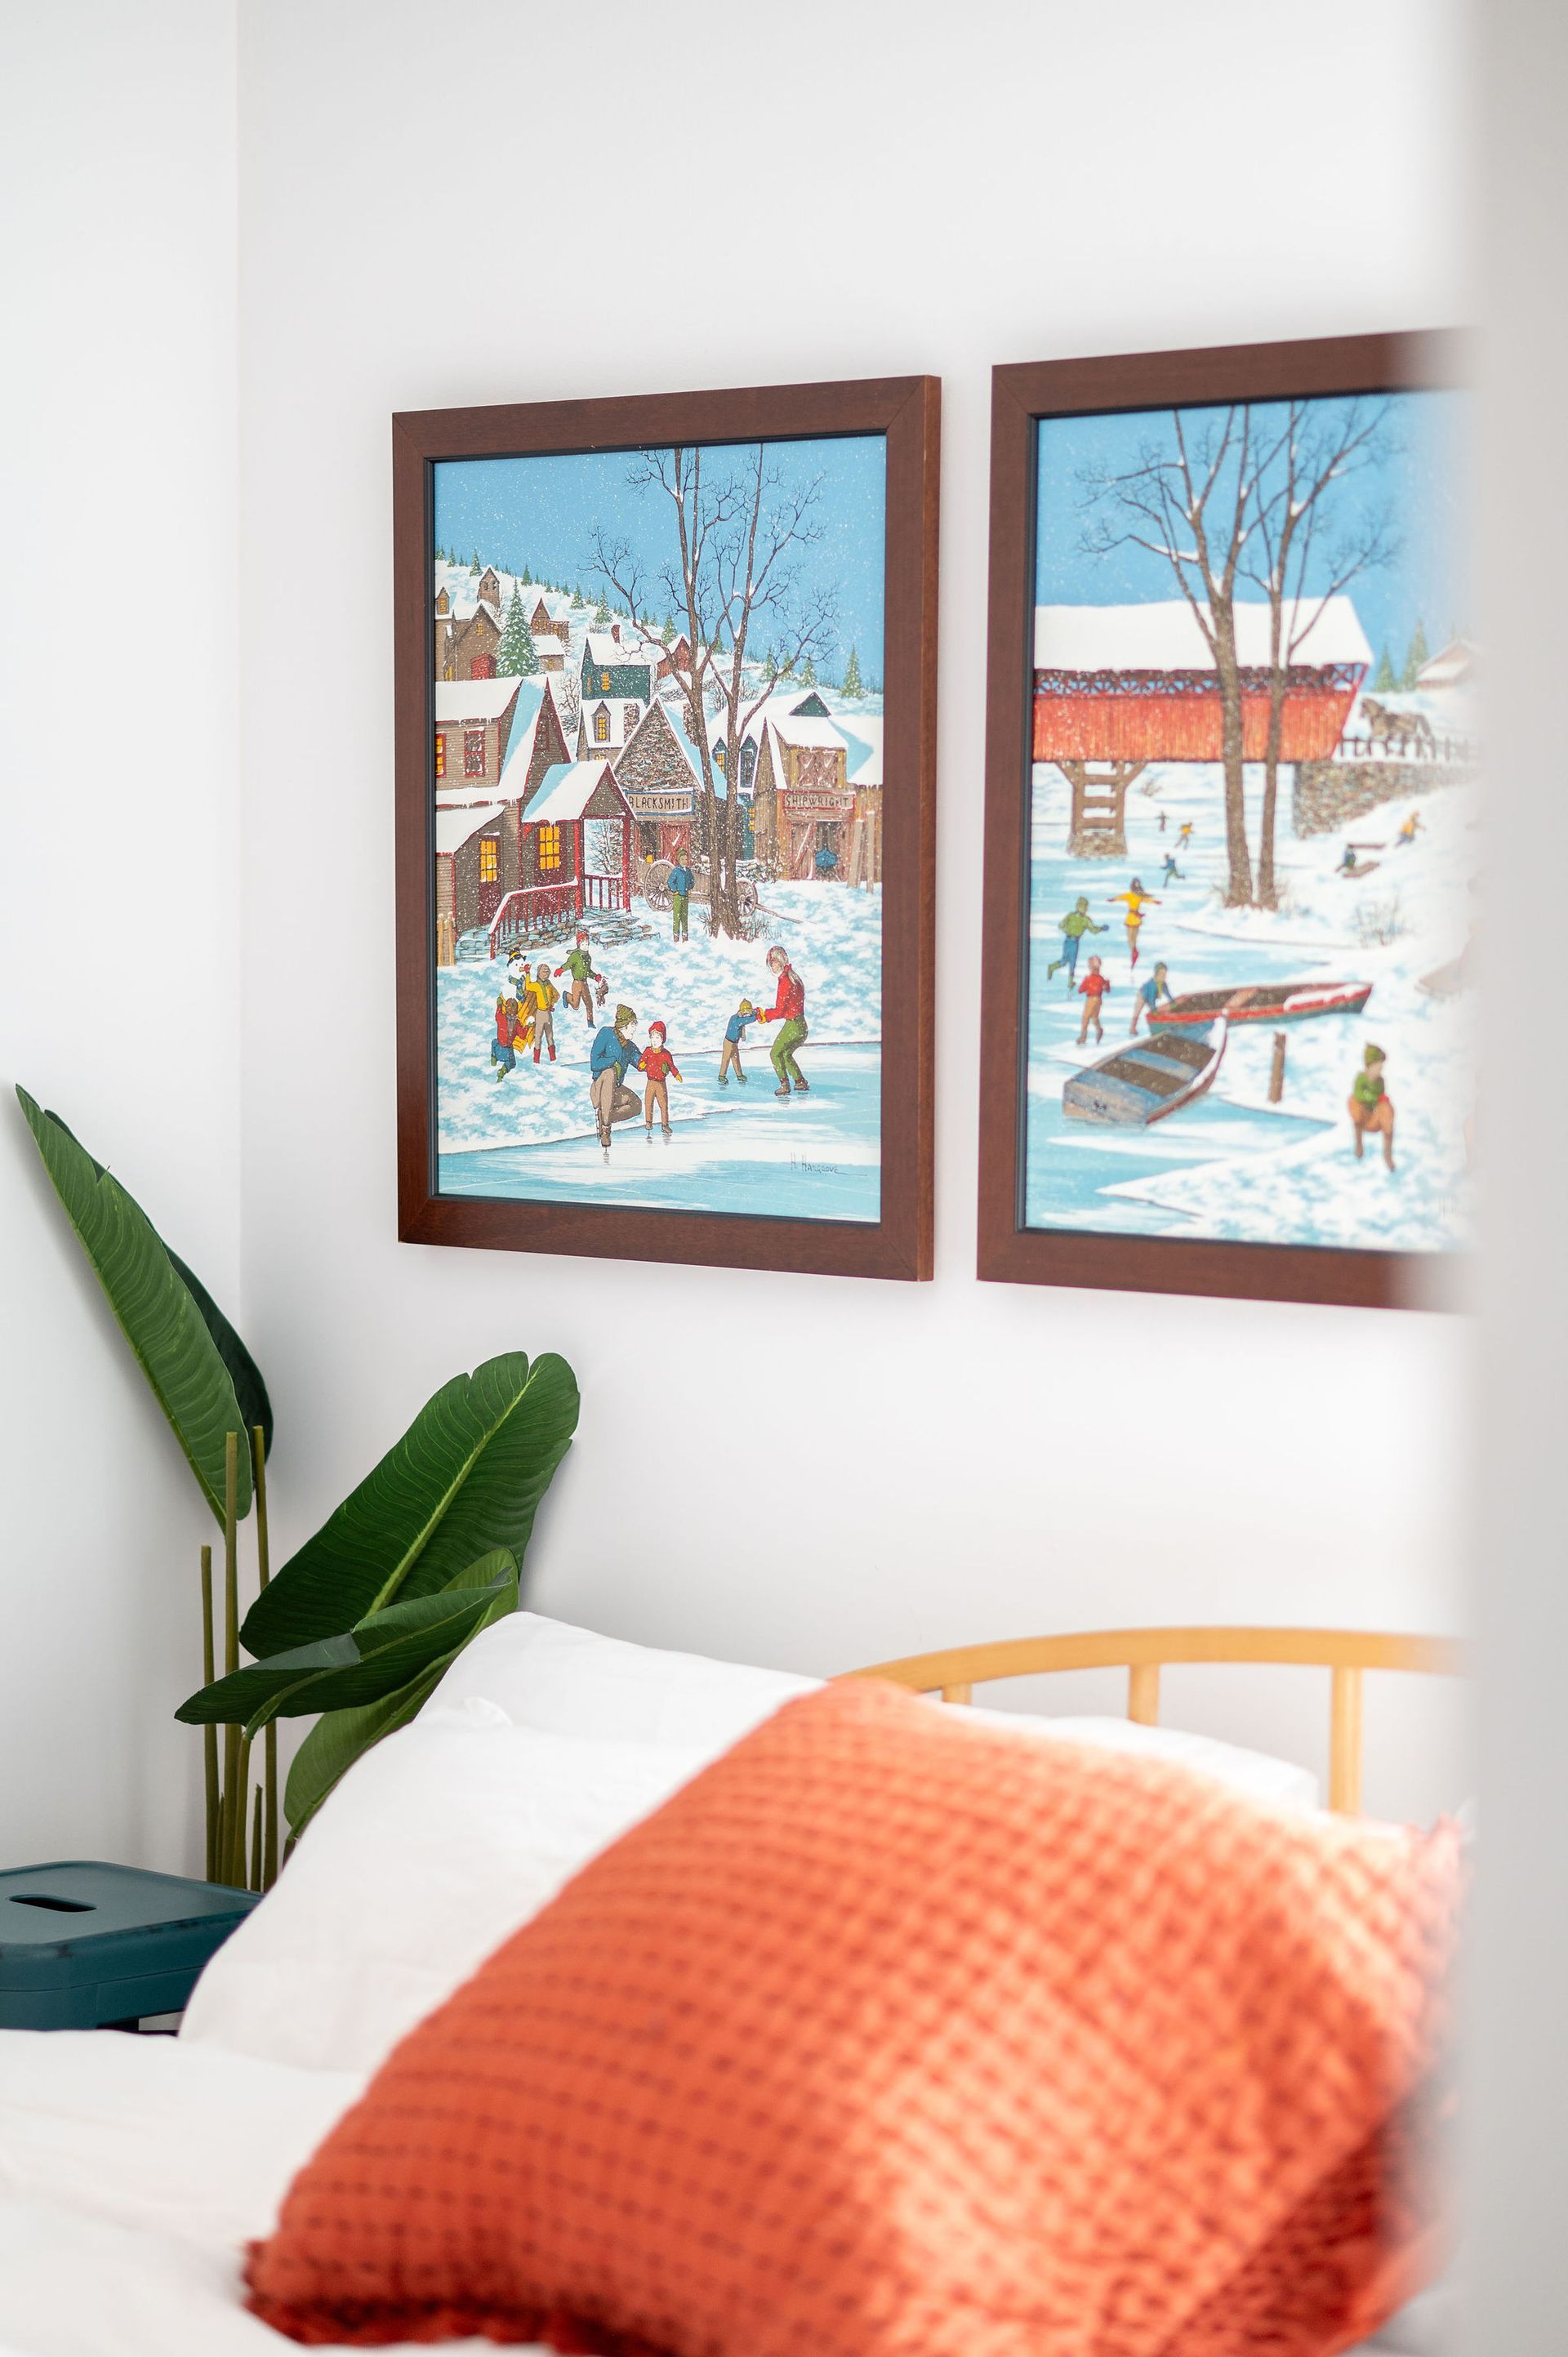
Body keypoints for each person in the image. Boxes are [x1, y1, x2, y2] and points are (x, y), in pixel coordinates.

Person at [589, 1005, 642, 1154]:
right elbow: (594, 1064)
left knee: (636, 1105)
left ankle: (606, 1116)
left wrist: (655, 1058)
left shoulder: (630, 1047)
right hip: (599, 1089)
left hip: (615, 1092)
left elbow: (641, 1063)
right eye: (633, 1025)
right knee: (610, 1073)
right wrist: (612, 1060)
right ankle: (606, 1129)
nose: (634, 1029)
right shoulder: (606, 1034)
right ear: (624, 1025)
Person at [760, 944, 808, 1097]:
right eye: (770, 963)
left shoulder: (786, 981)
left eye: (773, 962)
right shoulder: (794, 977)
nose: (772, 966)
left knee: (775, 1053)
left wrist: (765, 1016)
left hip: (793, 1024)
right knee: (786, 1053)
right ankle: (800, 1081)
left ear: (780, 961)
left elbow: (781, 1009)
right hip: (801, 1024)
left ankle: (784, 1084)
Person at [1348, 1042, 1396, 1171]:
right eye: (1378, 1064)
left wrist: (1381, 1101)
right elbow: (1359, 1095)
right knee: (1354, 1103)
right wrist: (1374, 1098)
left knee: (1387, 1108)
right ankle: (1359, 1145)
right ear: (1370, 1065)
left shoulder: (1380, 1082)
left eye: (1382, 1064)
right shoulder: (1361, 1079)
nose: (1381, 1067)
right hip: (1362, 1117)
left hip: (1375, 1119)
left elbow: (1380, 1099)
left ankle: (1387, 1155)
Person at [1045, 896, 1107, 986]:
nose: (1085, 909)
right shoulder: (1071, 916)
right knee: (1064, 961)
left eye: (1086, 907)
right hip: (1068, 940)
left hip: (1075, 942)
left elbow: (1093, 929)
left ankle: (1070, 982)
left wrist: (1101, 928)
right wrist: (1067, 930)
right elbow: (1061, 925)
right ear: (1078, 906)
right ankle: (1052, 967)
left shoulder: (1086, 920)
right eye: (1083, 907)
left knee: (1073, 962)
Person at [639, 1021, 684, 1138]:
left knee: (663, 1105)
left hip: (661, 1083)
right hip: (650, 1082)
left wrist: (676, 1074)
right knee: (648, 1103)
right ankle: (648, 1122)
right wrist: (642, 1065)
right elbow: (641, 1063)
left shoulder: (666, 1054)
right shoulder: (648, 1051)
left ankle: (665, 1125)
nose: (654, 1039)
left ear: (662, 1038)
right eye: (652, 1037)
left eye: (657, 1037)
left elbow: (671, 1066)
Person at [554, 929, 604, 1028]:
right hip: (577, 983)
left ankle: (590, 1022)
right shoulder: (575, 956)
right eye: (583, 944)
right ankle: (567, 996)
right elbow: (569, 964)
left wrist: (595, 976)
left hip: (585, 983)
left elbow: (588, 971)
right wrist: (561, 969)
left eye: (587, 944)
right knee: (576, 1005)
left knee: (589, 1004)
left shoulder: (588, 957)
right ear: (579, 945)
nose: (586, 946)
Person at [1107, 879, 1160, 969]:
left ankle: (1134, 955)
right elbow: (1122, 897)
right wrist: (1113, 899)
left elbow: (1147, 899)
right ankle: (1134, 954)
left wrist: (1155, 902)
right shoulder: (1133, 895)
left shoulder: (1136, 895)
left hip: (1134, 918)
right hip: (1134, 917)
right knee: (1131, 940)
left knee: (1132, 940)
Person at [524, 961, 559, 1064]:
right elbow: (528, 986)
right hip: (540, 1013)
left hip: (548, 1014)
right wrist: (527, 974)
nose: (546, 973)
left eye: (547, 971)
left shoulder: (549, 985)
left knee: (550, 1036)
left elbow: (556, 995)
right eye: (543, 971)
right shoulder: (536, 985)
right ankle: (536, 1060)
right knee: (538, 1036)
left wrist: (551, 1004)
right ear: (539, 973)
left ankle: (553, 1059)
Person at [1129, 960, 1174, 1036]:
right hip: (1143, 995)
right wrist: (1153, 1008)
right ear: (1157, 974)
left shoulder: (1163, 984)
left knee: (1153, 1012)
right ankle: (1132, 1028)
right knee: (1138, 1011)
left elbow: (1167, 993)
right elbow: (1151, 998)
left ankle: (1157, 1026)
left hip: (1151, 998)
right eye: (1161, 974)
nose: (1164, 976)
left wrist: (1172, 1002)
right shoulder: (1152, 985)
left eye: (1165, 974)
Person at [719, 999, 758, 1085]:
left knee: (736, 1059)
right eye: (746, 1013)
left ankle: (739, 1075)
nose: (747, 1015)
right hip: (729, 1042)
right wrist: (756, 1016)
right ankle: (722, 1076)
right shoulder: (736, 1019)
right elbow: (748, 1020)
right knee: (726, 1059)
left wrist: (755, 1012)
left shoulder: (739, 1017)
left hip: (734, 1043)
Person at [1076, 955, 1111, 1045]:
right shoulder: (1101, 979)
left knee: (1086, 1018)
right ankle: (1099, 1030)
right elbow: (1107, 989)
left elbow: (1080, 990)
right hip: (1098, 999)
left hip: (1091, 999)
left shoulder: (1089, 979)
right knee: (1094, 1017)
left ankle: (1083, 1037)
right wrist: (1106, 984)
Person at [666, 853, 695, 942]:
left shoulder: (688, 871)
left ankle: (685, 935)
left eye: (686, 859)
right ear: (679, 861)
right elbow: (670, 881)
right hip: (678, 896)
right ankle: (676, 935)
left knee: (684, 916)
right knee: (677, 916)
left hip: (685, 896)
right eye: (682, 859)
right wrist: (675, 891)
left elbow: (692, 881)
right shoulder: (676, 871)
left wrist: (690, 887)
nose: (685, 861)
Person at [491, 993, 519, 1083]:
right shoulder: (517, 1023)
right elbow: (522, 1035)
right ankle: (502, 1071)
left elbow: (498, 1013)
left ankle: (493, 1057)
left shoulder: (501, 1017)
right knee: (512, 1063)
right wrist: (528, 1027)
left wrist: (499, 1004)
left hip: (498, 1048)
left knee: (494, 1041)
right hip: (507, 1051)